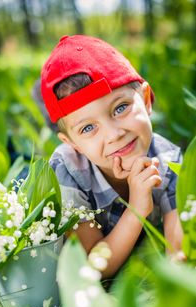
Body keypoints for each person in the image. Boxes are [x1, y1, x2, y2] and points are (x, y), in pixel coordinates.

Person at [40, 34, 184, 277]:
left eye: (120, 108)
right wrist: (137, 207)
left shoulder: (168, 158)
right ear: (73, 143)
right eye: (88, 128)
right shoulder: (68, 170)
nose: (114, 135)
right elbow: (93, 266)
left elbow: (177, 251)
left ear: (147, 100)